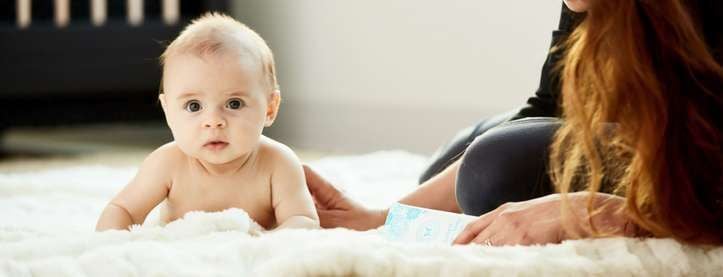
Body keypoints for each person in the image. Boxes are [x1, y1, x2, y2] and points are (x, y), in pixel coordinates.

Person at [304, 0, 722, 246]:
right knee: (459, 165)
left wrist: (606, 212)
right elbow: (549, 104)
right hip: (637, 127)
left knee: (491, 170)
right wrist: (383, 219)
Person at [96, 13, 319, 231]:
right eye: (194, 106)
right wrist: (113, 244)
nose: (213, 122)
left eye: (234, 103)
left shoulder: (278, 164)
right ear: (168, 111)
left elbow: (303, 221)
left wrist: (264, 248)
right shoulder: (167, 164)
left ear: (270, 108)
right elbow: (122, 209)